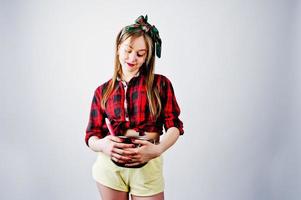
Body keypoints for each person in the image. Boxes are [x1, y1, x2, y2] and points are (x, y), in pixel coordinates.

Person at [85, 15, 184, 200]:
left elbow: (175, 126)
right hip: (110, 171)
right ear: (117, 49)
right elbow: (91, 135)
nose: (132, 58)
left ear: (147, 56)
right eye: (128, 50)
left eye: (140, 54)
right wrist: (102, 145)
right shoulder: (102, 91)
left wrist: (158, 149)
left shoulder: (161, 85)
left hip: (148, 170)